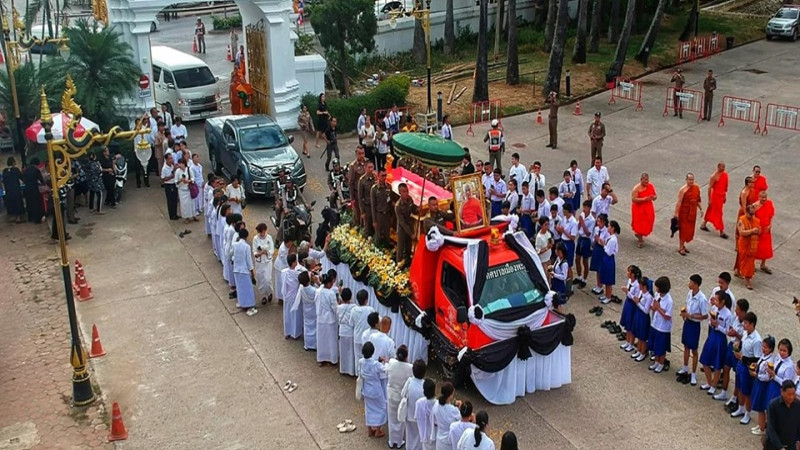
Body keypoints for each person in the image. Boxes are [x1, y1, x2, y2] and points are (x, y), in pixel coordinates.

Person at [677, 274, 708, 386]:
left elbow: (705, 316)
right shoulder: (690, 293)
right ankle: (685, 368)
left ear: (696, 284)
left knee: (694, 350)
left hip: (694, 325)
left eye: (690, 282)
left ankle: (693, 373)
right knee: (685, 346)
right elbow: (687, 305)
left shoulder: (702, 299)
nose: (688, 284)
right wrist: (685, 314)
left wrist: (691, 316)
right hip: (687, 323)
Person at [731, 312, 762, 425]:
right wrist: (738, 346)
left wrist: (743, 358)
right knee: (738, 386)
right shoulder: (745, 333)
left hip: (747, 367)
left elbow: (757, 359)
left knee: (747, 391)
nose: (743, 325)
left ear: (752, 324)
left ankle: (747, 414)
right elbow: (742, 343)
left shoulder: (757, 340)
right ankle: (740, 408)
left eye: (746, 323)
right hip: (740, 363)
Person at [699, 291, 733, 395]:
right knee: (705, 360)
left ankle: (714, 385)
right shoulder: (714, 309)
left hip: (720, 338)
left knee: (717, 364)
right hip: (712, 335)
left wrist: (718, 326)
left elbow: (728, 331)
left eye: (717, 300)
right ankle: (709, 382)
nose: (715, 302)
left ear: (723, 301)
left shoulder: (728, 314)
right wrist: (712, 323)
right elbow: (710, 321)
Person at [359, 342, 388, 438]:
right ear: (373, 352)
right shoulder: (376, 364)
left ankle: (369, 430)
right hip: (376, 390)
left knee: (369, 409)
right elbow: (384, 369)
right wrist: (386, 362)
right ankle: (378, 430)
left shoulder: (361, 362)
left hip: (366, 389)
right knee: (382, 407)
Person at [387, 345, 413, 449]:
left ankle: (391, 440)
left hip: (391, 394)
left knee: (392, 417)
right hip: (401, 396)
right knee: (400, 418)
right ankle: (398, 442)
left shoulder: (392, 362)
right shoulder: (409, 367)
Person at [763, 380, 800, 450]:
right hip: (774, 445)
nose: (791, 397)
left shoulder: (797, 405)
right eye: (789, 394)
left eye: (793, 394)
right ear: (782, 392)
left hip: (791, 444)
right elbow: (770, 428)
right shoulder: (773, 405)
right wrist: (780, 447)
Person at [648, 276, 673, 373]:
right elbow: (653, 307)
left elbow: (668, 316)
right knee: (655, 345)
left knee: (661, 347)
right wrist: (654, 307)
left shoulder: (669, 301)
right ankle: (656, 362)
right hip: (655, 324)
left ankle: (661, 363)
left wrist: (658, 308)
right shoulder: (658, 296)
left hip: (663, 327)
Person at [400, 360, 427, 450]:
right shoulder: (424, 385)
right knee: (419, 436)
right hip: (420, 416)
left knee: (409, 434)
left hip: (409, 413)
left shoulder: (410, 381)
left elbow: (402, 394)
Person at [315, 269, 340, 366]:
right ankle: (332, 359)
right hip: (330, 319)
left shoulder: (318, 291)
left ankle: (321, 358)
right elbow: (335, 307)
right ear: (329, 283)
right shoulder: (331, 293)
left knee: (322, 339)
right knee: (331, 340)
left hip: (320, 317)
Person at [675, 172, 702, 256]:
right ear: (686, 180)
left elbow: (698, 200)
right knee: (683, 230)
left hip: (692, 212)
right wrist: (676, 213)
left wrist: (701, 209)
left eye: (692, 179)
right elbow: (679, 202)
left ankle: (683, 245)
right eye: (689, 180)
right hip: (684, 212)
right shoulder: (683, 190)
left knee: (689, 230)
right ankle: (681, 247)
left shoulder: (696, 188)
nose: (691, 181)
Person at [700, 162, 729, 239]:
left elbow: (725, 186)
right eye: (722, 167)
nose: (724, 169)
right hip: (715, 196)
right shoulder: (713, 176)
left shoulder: (725, 174)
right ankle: (721, 231)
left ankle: (703, 224)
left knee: (710, 210)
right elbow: (709, 188)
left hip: (721, 196)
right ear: (718, 167)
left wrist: (724, 196)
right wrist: (709, 199)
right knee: (719, 213)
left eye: (724, 167)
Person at [232, 228, 258, 316]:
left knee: (240, 288)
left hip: (236, 269)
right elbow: (249, 261)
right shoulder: (246, 247)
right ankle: (249, 306)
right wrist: (252, 271)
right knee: (248, 289)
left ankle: (241, 303)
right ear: (246, 237)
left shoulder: (235, 245)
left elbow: (233, 255)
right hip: (244, 270)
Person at [429, 382, 460, 450]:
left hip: (439, 438)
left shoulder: (436, 404)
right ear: (451, 395)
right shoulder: (454, 410)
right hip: (449, 440)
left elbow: (432, 419)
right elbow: (461, 421)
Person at [736, 204, 761, 290]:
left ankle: (737, 270)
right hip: (744, 244)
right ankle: (748, 281)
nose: (751, 216)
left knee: (749, 262)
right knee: (745, 261)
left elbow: (759, 231)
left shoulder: (756, 221)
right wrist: (752, 231)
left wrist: (758, 231)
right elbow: (741, 232)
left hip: (753, 245)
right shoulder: (742, 220)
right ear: (746, 212)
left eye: (752, 214)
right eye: (750, 214)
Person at [619, 265, 642, 353]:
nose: (627, 273)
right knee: (627, 323)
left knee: (631, 324)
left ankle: (631, 343)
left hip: (632, 305)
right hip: (627, 303)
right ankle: (627, 341)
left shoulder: (637, 284)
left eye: (629, 271)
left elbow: (635, 298)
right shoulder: (630, 281)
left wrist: (627, 292)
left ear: (633, 274)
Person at [630, 276, 654, 362]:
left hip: (643, 317)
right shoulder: (641, 293)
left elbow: (646, 310)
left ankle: (643, 352)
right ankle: (639, 350)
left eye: (640, 285)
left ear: (644, 286)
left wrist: (638, 303)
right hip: (638, 314)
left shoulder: (649, 297)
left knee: (643, 336)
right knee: (638, 334)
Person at [631, 173, 657, 248]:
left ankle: (639, 235)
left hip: (648, 207)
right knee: (639, 224)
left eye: (647, 180)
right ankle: (640, 240)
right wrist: (643, 199)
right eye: (644, 180)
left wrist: (653, 197)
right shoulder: (636, 188)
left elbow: (655, 196)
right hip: (638, 209)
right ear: (641, 179)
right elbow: (634, 199)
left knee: (648, 221)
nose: (646, 182)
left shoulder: (650, 186)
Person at [282, 253, 305, 339]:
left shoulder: (284, 272)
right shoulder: (297, 274)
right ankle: (295, 333)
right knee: (295, 315)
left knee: (287, 314)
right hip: (295, 297)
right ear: (294, 262)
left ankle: (287, 332)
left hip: (287, 296)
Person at [293, 270, 317, 350]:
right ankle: (314, 344)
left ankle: (307, 344)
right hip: (313, 309)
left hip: (306, 309)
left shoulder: (301, 288)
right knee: (314, 326)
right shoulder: (314, 290)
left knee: (307, 326)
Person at [395, 183, 418, 266]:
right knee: (400, 248)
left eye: (407, 191)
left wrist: (418, 210)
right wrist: (411, 233)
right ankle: (399, 264)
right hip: (402, 229)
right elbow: (402, 222)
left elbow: (413, 209)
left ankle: (407, 263)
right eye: (404, 192)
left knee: (408, 247)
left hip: (409, 225)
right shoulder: (398, 206)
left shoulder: (410, 199)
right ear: (400, 193)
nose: (406, 193)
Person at [598, 220, 620, 305]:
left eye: (609, 226)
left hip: (609, 259)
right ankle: (606, 294)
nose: (608, 228)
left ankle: (608, 296)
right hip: (606, 259)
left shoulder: (613, 240)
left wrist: (603, 245)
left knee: (608, 279)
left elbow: (609, 252)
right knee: (605, 277)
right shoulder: (610, 237)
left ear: (613, 228)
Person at [350, 289, 375, 361]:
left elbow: (351, 323)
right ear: (366, 300)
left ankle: (358, 372)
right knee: (368, 358)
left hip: (357, 337)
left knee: (357, 357)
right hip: (368, 338)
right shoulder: (370, 310)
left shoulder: (353, 310)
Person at [574, 200, 594, 288]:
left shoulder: (592, 220)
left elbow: (588, 233)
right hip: (580, 238)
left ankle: (584, 279)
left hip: (586, 240)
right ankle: (579, 276)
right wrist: (579, 222)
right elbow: (578, 227)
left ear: (589, 208)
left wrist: (582, 222)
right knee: (577, 259)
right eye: (584, 207)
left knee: (585, 261)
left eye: (586, 207)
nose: (584, 209)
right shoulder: (582, 215)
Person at [753, 191, 774, 275]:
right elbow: (752, 217)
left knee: (766, 247)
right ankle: (752, 264)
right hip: (758, 229)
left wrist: (770, 225)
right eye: (762, 197)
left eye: (765, 197)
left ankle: (763, 264)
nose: (764, 199)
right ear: (759, 197)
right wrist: (757, 227)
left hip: (766, 229)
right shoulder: (755, 206)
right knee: (755, 247)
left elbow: (771, 215)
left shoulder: (769, 203)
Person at [252, 223, 274, 305]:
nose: (261, 234)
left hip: (267, 262)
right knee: (261, 278)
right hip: (259, 262)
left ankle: (269, 292)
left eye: (263, 232)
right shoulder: (255, 239)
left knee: (267, 279)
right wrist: (259, 253)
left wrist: (266, 252)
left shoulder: (269, 238)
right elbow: (254, 251)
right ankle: (263, 296)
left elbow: (272, 250)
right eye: (260, 232)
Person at [337, 288, 357, 376]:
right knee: (351, 351)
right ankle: (351, 370)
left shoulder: (339, 307)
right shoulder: (354, 307)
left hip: (342, 330)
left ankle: (343, 369)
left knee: (343, 351)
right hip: (351, 331)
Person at [415, 379, 437, 450]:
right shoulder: (438, 405)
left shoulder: (419, 402)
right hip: (435, 436)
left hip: (423, 434)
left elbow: (416, 417)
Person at [358, 161, 377, 236]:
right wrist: (362, 211)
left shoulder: (375, 177)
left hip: (376, 206)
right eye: (369, 167)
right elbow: (360, 197)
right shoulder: (362, 181)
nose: (371, 169)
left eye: (372, 167)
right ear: (365, 168)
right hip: (367, 206)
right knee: (368, 226)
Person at [3, 157, 24, 222]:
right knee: (18, 203)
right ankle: (18, 218)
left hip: (8, 190)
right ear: (13, 162)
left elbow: (4, 181)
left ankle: (13, 217)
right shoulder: (16, 170)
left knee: (12, 203)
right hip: (16, 189)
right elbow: (22, 178)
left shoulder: (4, 171)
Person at [175, 158, 196, 223]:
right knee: (184, 205)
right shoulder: (177, 171)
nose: (179, 165)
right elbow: (176, 182)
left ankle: (194, 215)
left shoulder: (189, 169)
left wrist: (188, 181)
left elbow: (193, 178)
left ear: (184, 164)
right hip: (182, 190)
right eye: (179, 163)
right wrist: (180, 180)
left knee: (192, 203)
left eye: (181, 163)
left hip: (189, 189)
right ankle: (187, 218)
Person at [161, 153, 179, 220]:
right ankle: (172, 215)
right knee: (170, 201)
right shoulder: (164, 168)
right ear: (166, 159)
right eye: (170, 158)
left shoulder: (172, 165)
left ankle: (175, 213)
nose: (171, 160)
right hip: (169, 185)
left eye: (172, 158)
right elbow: (163, 178)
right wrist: (170, 177)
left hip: (174, 184)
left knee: (175, 199)